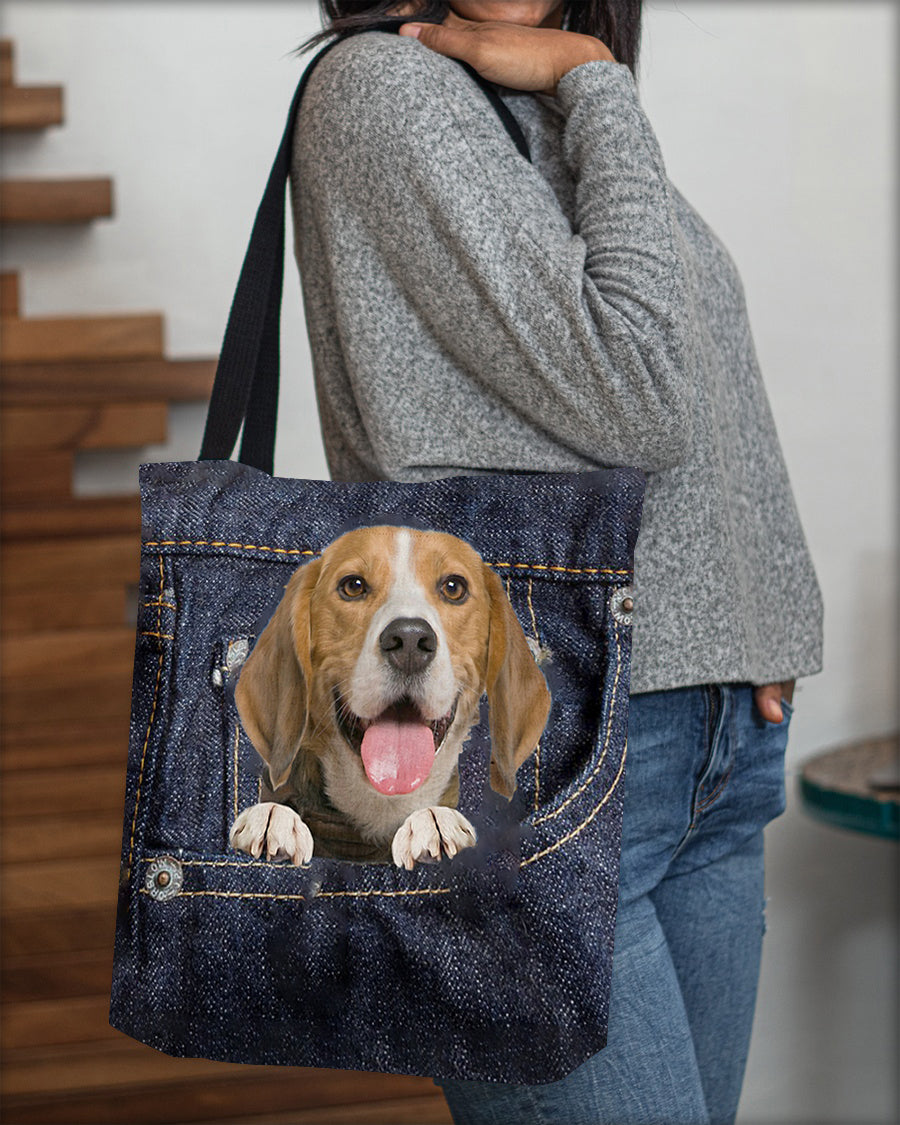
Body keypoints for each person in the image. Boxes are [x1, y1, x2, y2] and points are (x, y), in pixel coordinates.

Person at [288, 2, 824, 1122]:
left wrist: (755, 626)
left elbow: (704, 370)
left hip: (706, 746)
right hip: (547, 761)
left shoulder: (532, 96)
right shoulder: (388, 89)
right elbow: (642, 393)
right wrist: (597, 77)